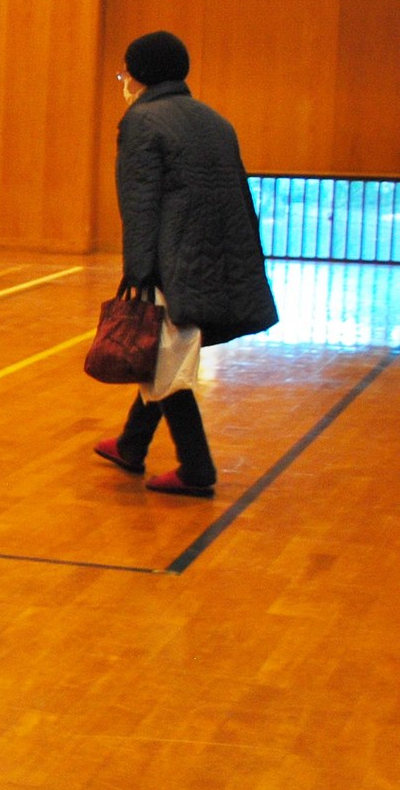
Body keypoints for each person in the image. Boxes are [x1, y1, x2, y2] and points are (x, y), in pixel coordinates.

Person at [94, 31, 278, 496]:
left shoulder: (142, 120)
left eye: (125, 71)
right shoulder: (216, 121)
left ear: (141, 72)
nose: (124, 80)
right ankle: (131, 444)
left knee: (168, 359)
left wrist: (137, 274)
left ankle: (197, 469)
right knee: (167, 349)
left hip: (172, 257)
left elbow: (140, 203)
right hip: (217, 257)